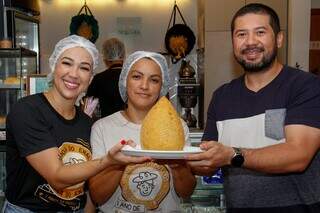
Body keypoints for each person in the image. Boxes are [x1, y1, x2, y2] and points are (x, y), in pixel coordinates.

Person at [186, 3, 320, 213]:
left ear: (279, 39)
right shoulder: (221, 96)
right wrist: (179, 159)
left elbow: (298, 154)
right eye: (241, 34)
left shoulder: (305, 86)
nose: (250, 42)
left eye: (260, 32)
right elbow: (208, 164)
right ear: (233, 42)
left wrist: (233, 155)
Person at [3, 35, 149, 213]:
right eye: (67, 63)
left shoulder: (88, 124)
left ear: (90, 77)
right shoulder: (28, 111)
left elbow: (86, 193)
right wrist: (108, 161)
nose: (73, 74)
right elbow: (57, 176)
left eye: (84, 68)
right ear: (54, 65)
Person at [88, 51, 196, 212]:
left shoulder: (178, 127)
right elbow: (97, 196)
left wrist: (177, 165)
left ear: (162, 86)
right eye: (137, 77)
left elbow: (186, 192)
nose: (144, 86)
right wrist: (119, 163)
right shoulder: (102, 128)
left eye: (154, 80)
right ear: (125, 81)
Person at [86, 38, 126, 118]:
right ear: (123, 57)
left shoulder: (98, 79)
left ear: (105, 59)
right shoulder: (132, 77)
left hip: (105, 126)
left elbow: (88, 108)